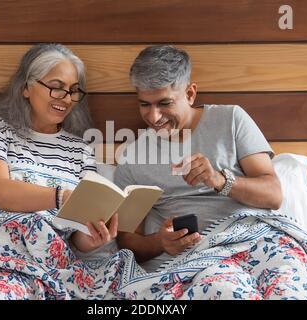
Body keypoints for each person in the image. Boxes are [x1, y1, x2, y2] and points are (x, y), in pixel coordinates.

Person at [114, 45, 282, 272]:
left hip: (254, 245)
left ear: (190, 94)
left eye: (164, 103)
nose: (153, 117)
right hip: (193, 264)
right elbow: (126, 239)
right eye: (145, 104)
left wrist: (220, 180)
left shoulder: (231, 119)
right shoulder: (132, 157)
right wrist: (159, 243)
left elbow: (274, 195)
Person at [0, 43, 118, 253]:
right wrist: (60, 197)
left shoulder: (81, 150)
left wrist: (91, 238)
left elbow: (76, 237)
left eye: (73, 91)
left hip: (48, 256)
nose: (66, 98)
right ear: (26, 88)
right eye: (56, 87)